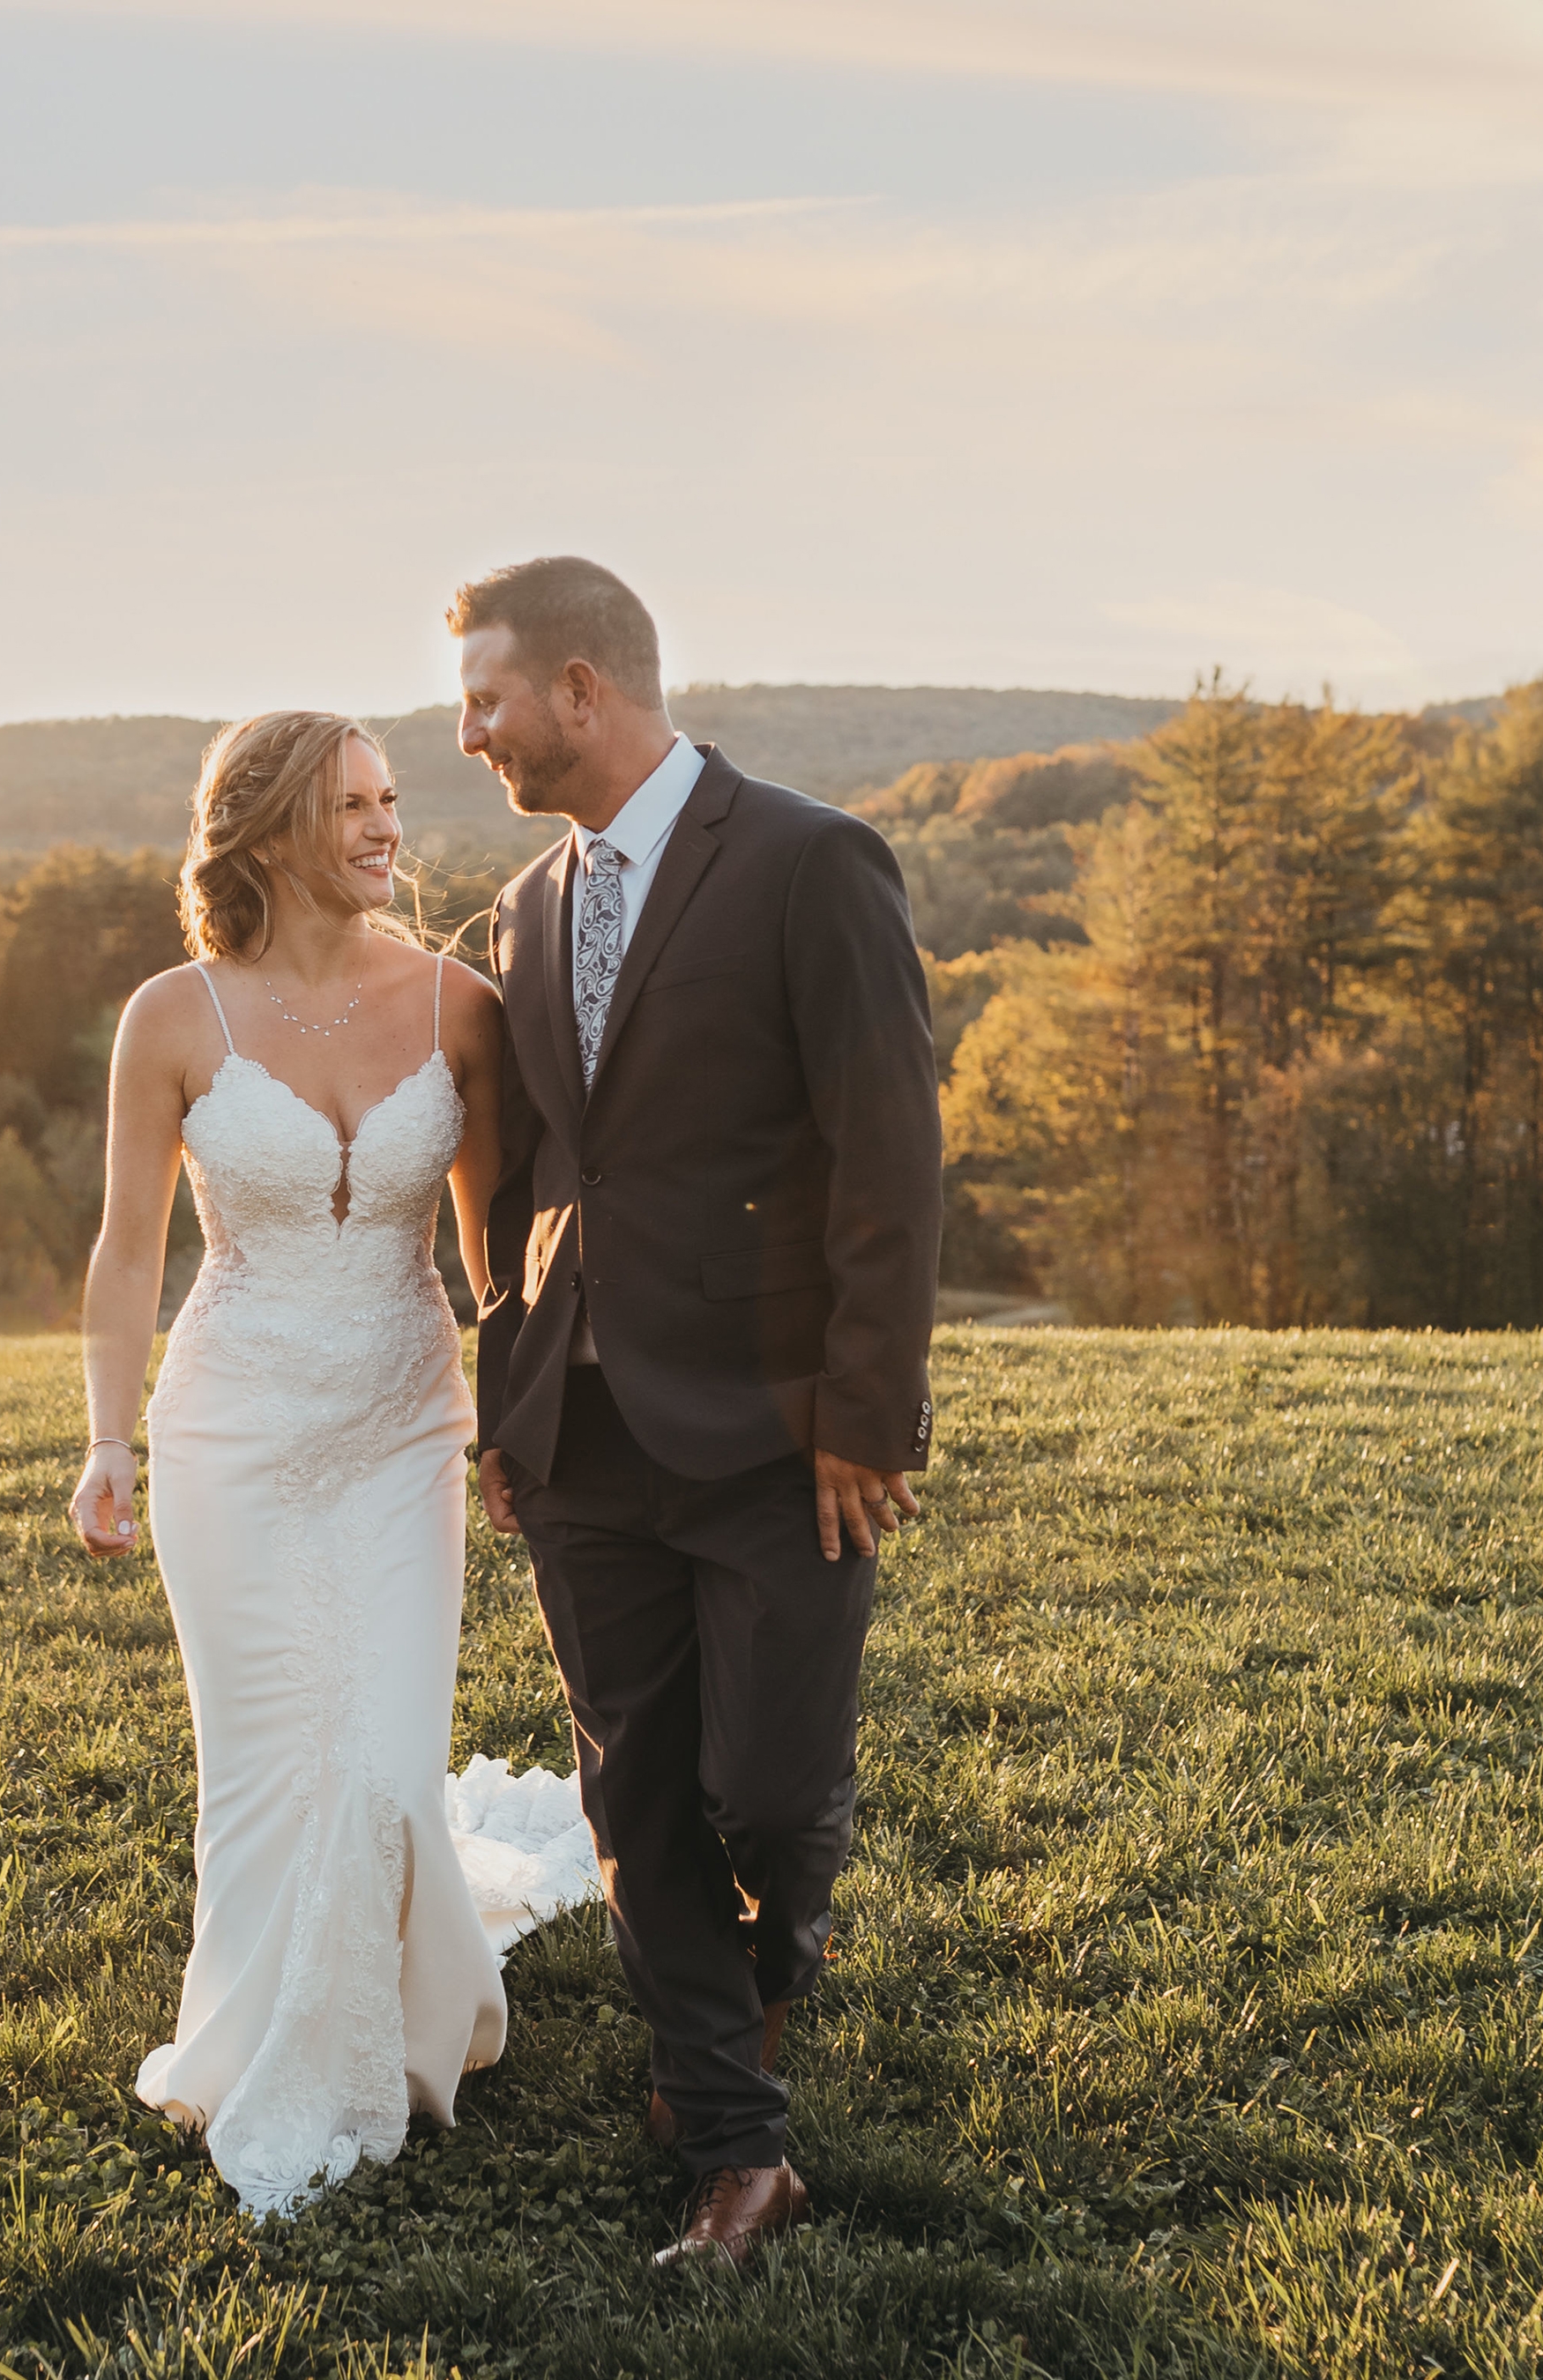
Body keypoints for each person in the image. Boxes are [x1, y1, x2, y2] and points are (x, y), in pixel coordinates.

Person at [456, 558, 942, 2273]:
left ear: (583, 690)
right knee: (634, 1792)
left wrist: (867, 1414)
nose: (470, 734)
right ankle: (739, 2153)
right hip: (577, 1442)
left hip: (779, 1429)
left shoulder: (813, 865)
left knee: (775, 1787)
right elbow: (512, 1185)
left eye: (489, 699)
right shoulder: (514, 913)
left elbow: (891, 1158)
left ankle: (769, 1967)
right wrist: (505, 1390)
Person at [69, 707, 595, 2219]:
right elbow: (124, 1251)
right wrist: (110, 1433)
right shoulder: (173, 1017)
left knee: (378, 1766)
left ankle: (412, 2028)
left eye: (389, 800)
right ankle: (253, 2047)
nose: (386, 826)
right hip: (230, 1430)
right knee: (260, 1773)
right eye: (351, 804)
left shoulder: (459, 1007)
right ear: (270, 827)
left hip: (400, 1426)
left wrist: (521, 1423)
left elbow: (501, 1257)